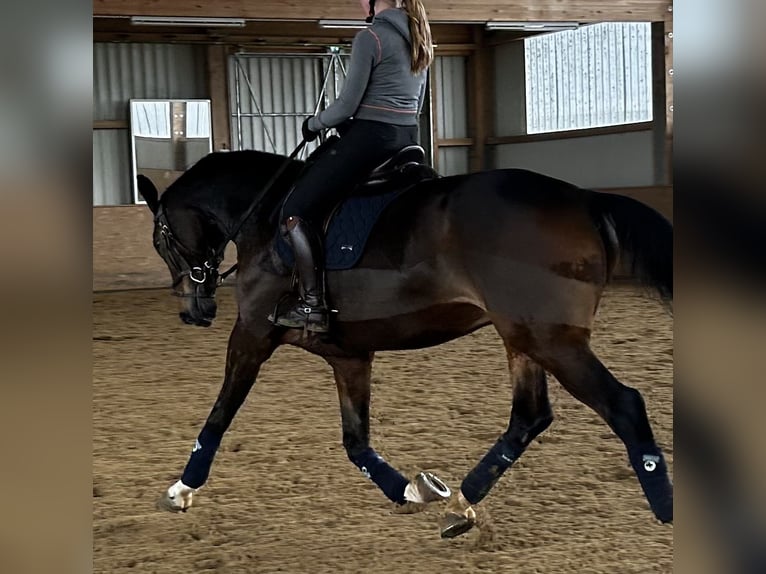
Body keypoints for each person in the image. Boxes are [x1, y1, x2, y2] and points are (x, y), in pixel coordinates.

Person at [271, 0, 434, 333]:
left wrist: (314, 124)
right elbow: (416, 104)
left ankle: (311, 305)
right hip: (407, 138)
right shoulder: (420, 37)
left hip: (371, 139)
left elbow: (347, 106)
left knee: (296, 210)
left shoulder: (371, 38)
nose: (360, 3)